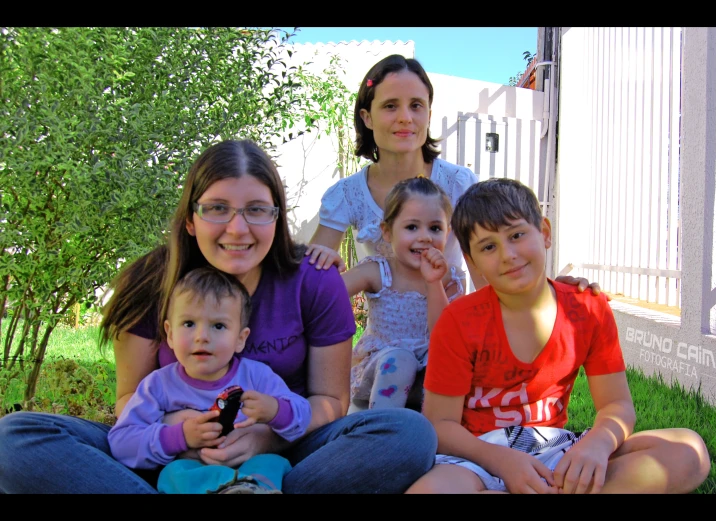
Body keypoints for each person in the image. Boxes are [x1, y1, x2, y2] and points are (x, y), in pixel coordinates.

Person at [0, 139, 437, 494]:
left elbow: (330, 404)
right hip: (165, 458)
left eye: (256, 209)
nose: (237, 227)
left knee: (408, 433)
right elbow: (128, 405)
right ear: (191, 219)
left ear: (276, 217)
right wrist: (184, 433)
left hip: (283, 457)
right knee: (15, 439)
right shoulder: (151, 281)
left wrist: (266, 437)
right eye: (217, 208)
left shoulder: (314, 280)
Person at [406, 178, 711, 494]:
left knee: (689, 452)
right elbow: (441, 426)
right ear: (472, 260)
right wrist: (502, 461)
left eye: (517, 235)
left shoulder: (588, 310)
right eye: (488, 247)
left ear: (545, 233)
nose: (508, 254)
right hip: (477, 458)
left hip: (556, 453)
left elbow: (617, 404)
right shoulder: (459, 321)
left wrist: (597, 444)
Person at [305, 53, 599, 297]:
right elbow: (306, 278)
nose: (405, 117)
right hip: (389, 347)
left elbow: (493, 266)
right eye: (390, 106)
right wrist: (324, 268)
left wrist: (554, 294)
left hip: (457, 336)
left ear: (429, 114)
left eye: (416, 105)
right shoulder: (348, 194)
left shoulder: (458, 184)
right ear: (367, 117)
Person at [108, 266, 311, 494]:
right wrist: (180, 436)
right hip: (194, 472)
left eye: (218, 326)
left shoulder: (256, 376)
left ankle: (247, 489)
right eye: (189, 324)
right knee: (173, 474)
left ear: (240, 339)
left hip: (252, 467)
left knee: (273, 463)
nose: (202, 337)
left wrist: (275, 410)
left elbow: (303, 416)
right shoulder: (159, 385)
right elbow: (121, 442)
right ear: (170, 334)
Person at [344, 176, 462, 411]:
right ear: (387, 232)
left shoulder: (450, 279)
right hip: (381, 374)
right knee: (401, 360)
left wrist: (433, 283)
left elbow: (444, 336)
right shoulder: (378, 272)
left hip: (426, 379)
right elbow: (325, 295)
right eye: (411, 227)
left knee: (451, 363)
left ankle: (436, 435)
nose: (425, 236)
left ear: (447, 232)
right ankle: (381, 433)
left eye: (435, 228)